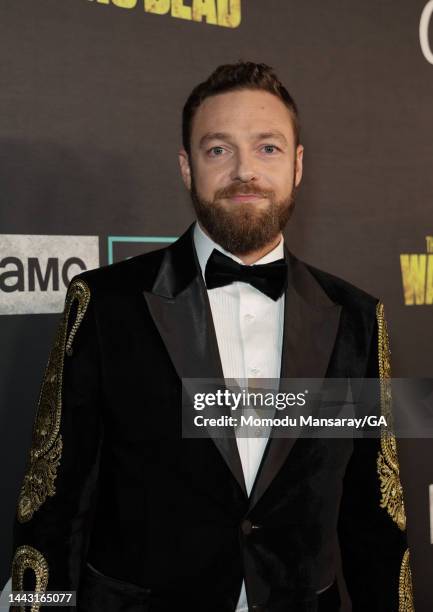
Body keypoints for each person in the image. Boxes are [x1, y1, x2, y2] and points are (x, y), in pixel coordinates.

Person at [10, 61, 413, 612]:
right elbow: (54, 507)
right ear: (186, 167)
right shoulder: (104, 305)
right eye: (218, 150)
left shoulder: (356, 318)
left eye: (267, 148)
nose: (244, 170)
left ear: (297, 166)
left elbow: (375, 518)